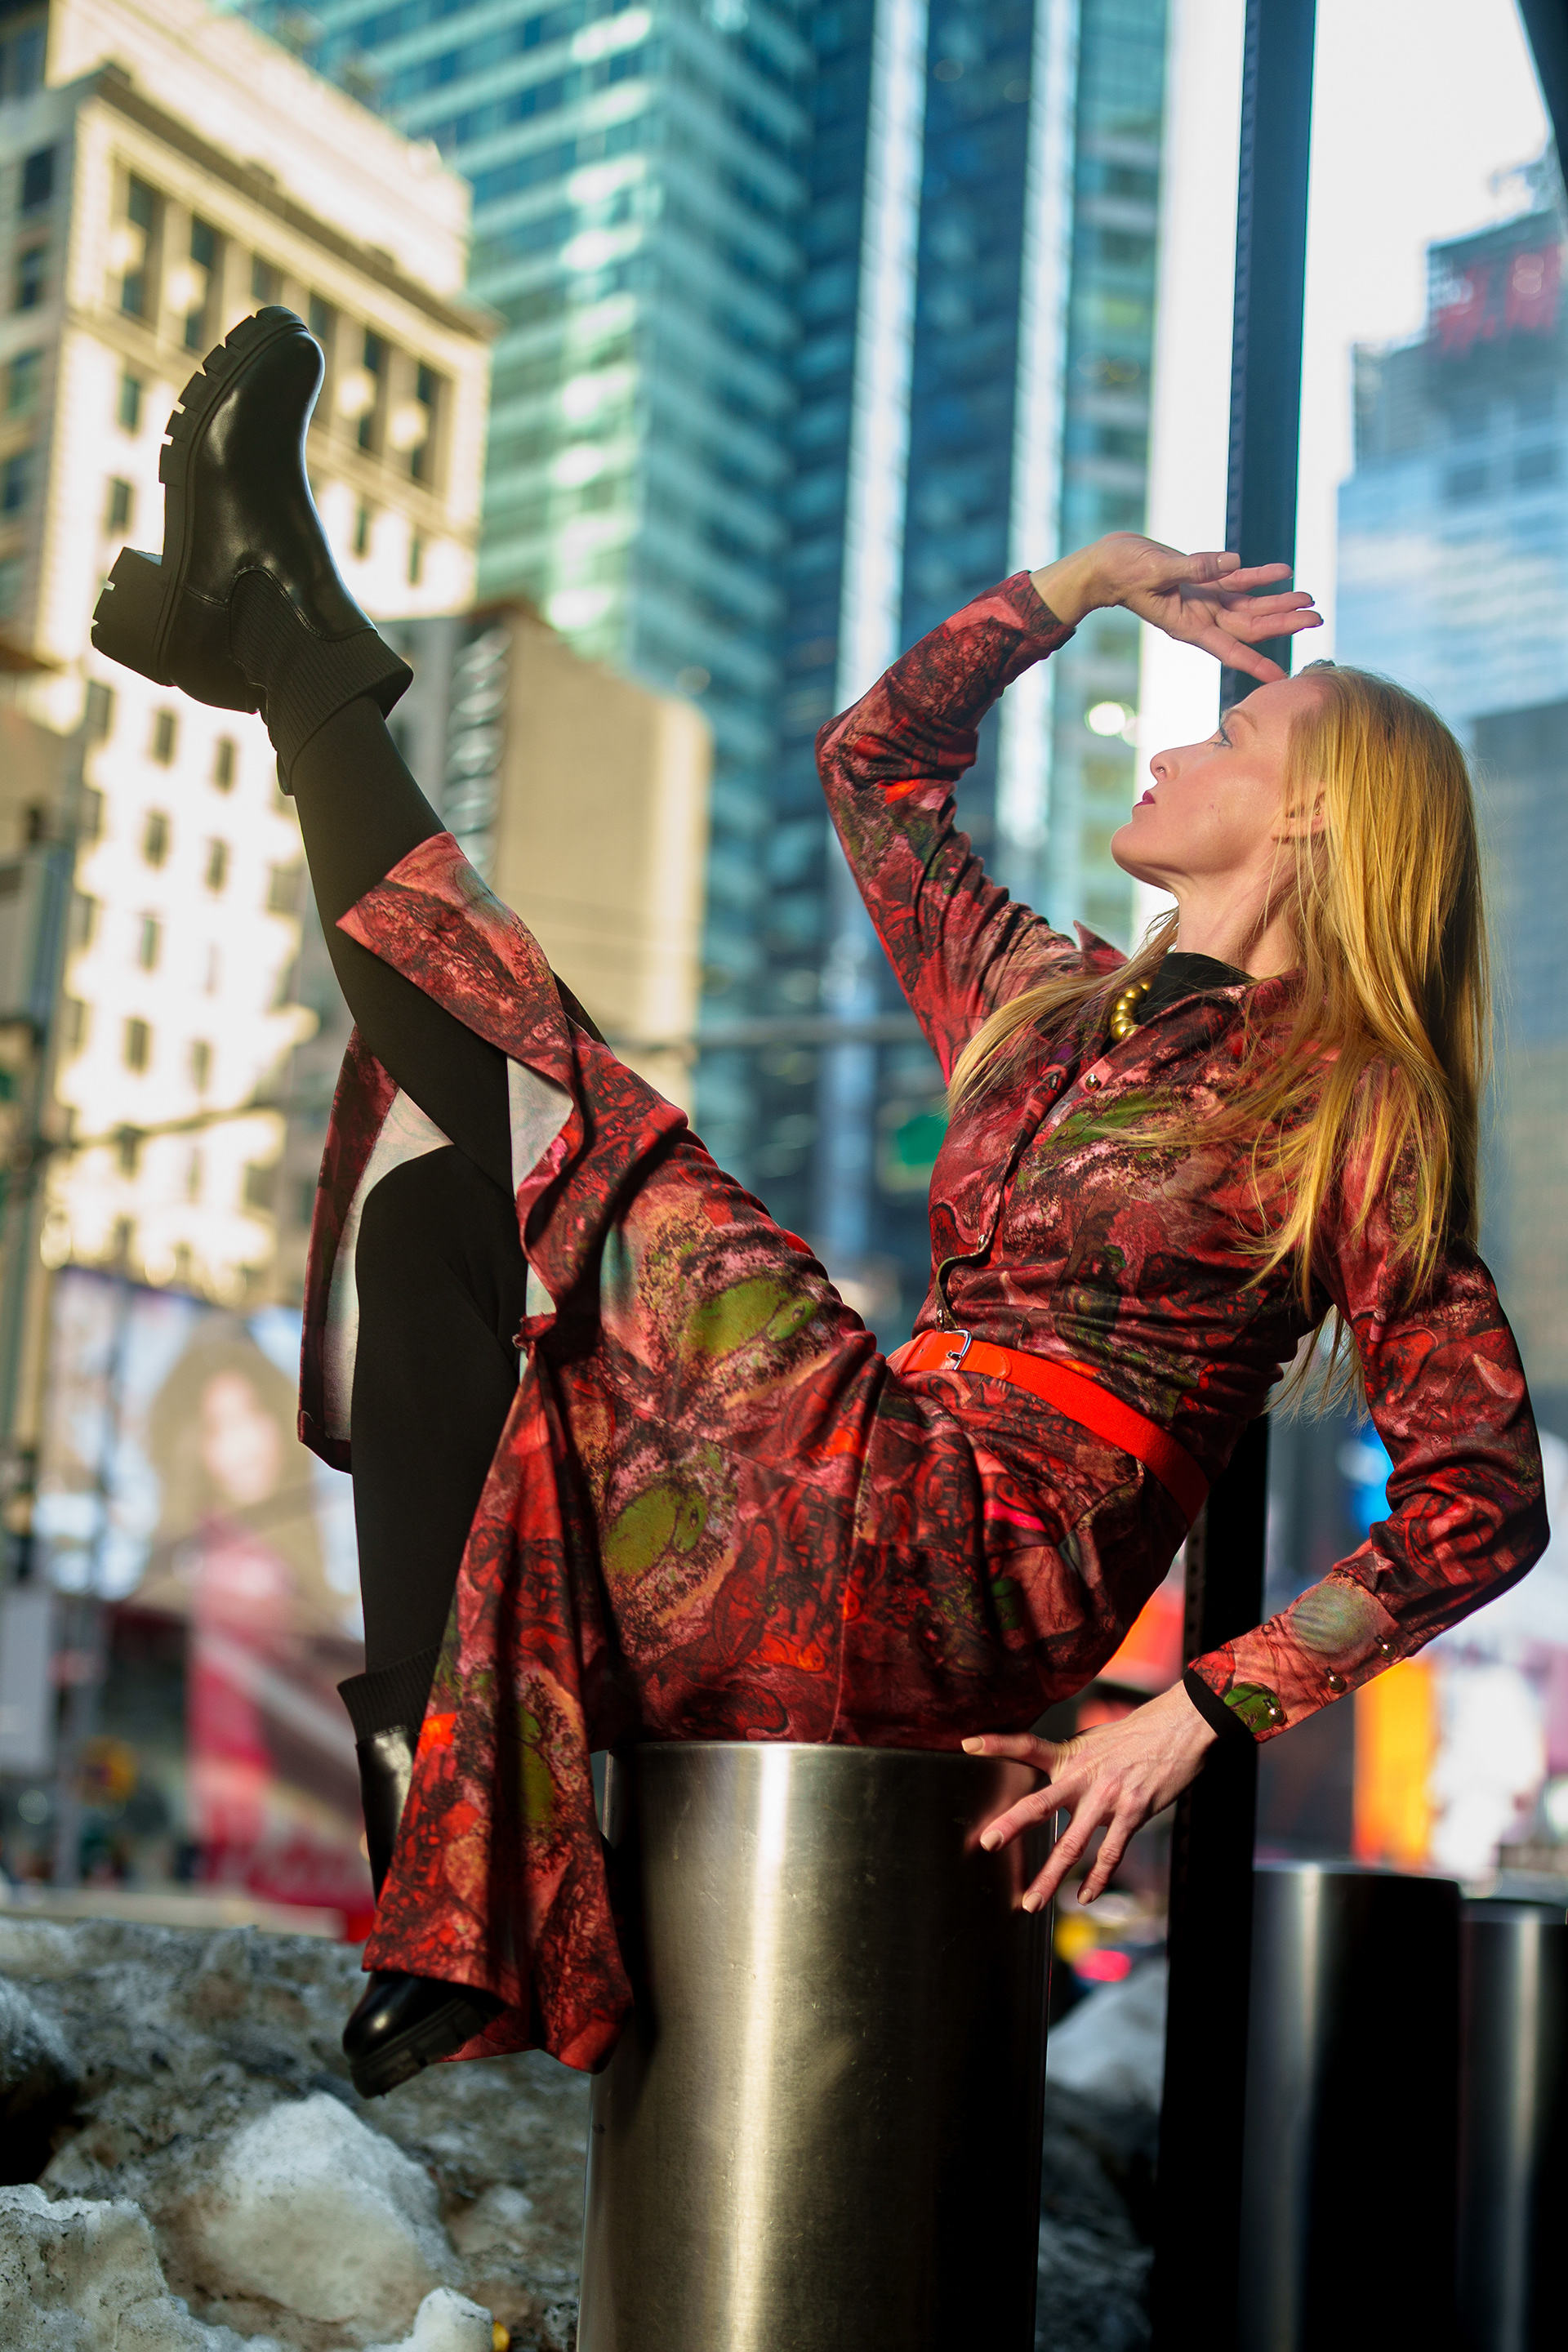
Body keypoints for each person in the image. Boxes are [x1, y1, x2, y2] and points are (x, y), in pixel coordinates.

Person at [93, 308, 1547, 2099]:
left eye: (1234, 736)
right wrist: (1076, 587)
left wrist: (1196, 1714)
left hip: (962, 1570)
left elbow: (1483, 1498)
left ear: (1319, 820)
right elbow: (874, 767)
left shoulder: (1352, 1105)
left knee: (582, 1118)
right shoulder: (1043, 1001)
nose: (1174, 752)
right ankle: (436, 1839)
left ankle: (275, 645)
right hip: (843, 1490)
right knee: (439, 1231)